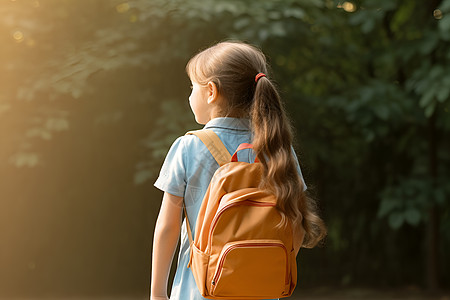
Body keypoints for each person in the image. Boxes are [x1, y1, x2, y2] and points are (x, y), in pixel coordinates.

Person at [151, 41, 326, 300]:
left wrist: (157, 293)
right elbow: (296, 224)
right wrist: (259, 267)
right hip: (261, 292)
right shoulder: (277, 148)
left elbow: (168, 227)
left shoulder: (188, 147)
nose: (190, 95)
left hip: (199, 290)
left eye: (192, 87)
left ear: (211, 91)